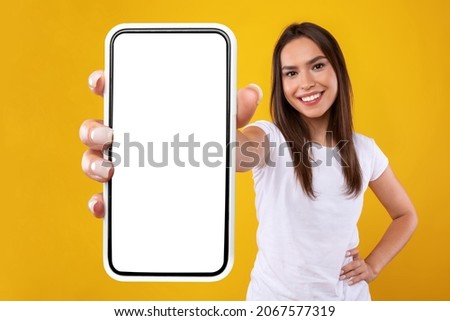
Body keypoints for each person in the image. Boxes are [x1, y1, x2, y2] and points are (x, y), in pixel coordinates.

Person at [80, 22, 417, 300]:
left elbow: (405, 215)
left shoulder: (364, 150)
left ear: (337, 70)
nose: (306, 82)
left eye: (317, 65)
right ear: (280, 83)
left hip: (348, 303)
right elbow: (234, 152)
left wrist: (373, 265)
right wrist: (181, 120)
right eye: (291, 73)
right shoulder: (269, 137)